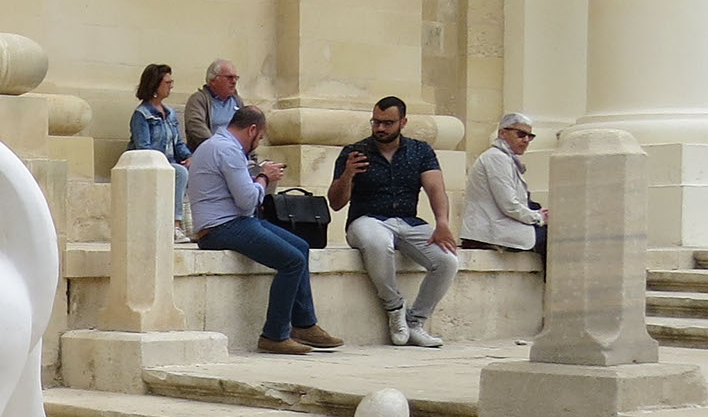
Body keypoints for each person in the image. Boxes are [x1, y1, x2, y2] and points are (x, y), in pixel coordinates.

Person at [185, 106, 343, 356]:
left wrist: (259, 179)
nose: (258, 143)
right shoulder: (228, 150)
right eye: (259, 138)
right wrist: (264, 177)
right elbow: (247, 201)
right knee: (292, 261)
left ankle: (304, 324)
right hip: (221, 227)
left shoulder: (217, 145)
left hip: (234, 222)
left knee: (300, 246)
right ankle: (274, 335)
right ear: (252, 130)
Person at [327, 95, 460, 348]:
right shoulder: (354, 152)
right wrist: (348, 175)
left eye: (387, 123)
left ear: (403, 122)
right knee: (378, 243)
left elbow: (436, 188)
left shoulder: (420, 151)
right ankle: (394, 307)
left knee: (448, 260)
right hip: (367, 219)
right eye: (376, 122)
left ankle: (415, 322)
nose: (380, 128)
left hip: (408, 221)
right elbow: (335, 203)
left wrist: (442, 223)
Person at [461, 112, 547, 261]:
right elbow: (509, 205)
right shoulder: (497, 157)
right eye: (521, 134)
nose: (526, 140)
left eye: (530, 136)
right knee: (556, 239)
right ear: (502, 133)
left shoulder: (505, 158)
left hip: (497, 227)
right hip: (490, 231)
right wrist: (538, 217)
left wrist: (537, 212)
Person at [127, 63, 191, 232]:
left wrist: (189, 157)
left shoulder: (170, 113)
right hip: (152, 164)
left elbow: (178, 143)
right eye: (167, 83)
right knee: (180, 172)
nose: (171, 86)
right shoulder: (142, 115)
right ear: (155, 85)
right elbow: (143, 148)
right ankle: (175, 224)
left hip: (170, 163)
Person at [181, 59, 242, 151]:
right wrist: (218, 148)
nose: (234, 81)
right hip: (211, 152)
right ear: (213, 80)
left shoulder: (237, 101)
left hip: (236, 151)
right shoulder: (198, 100)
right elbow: (196, 127)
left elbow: (246, 128)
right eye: (229, 77)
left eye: (235, 78)